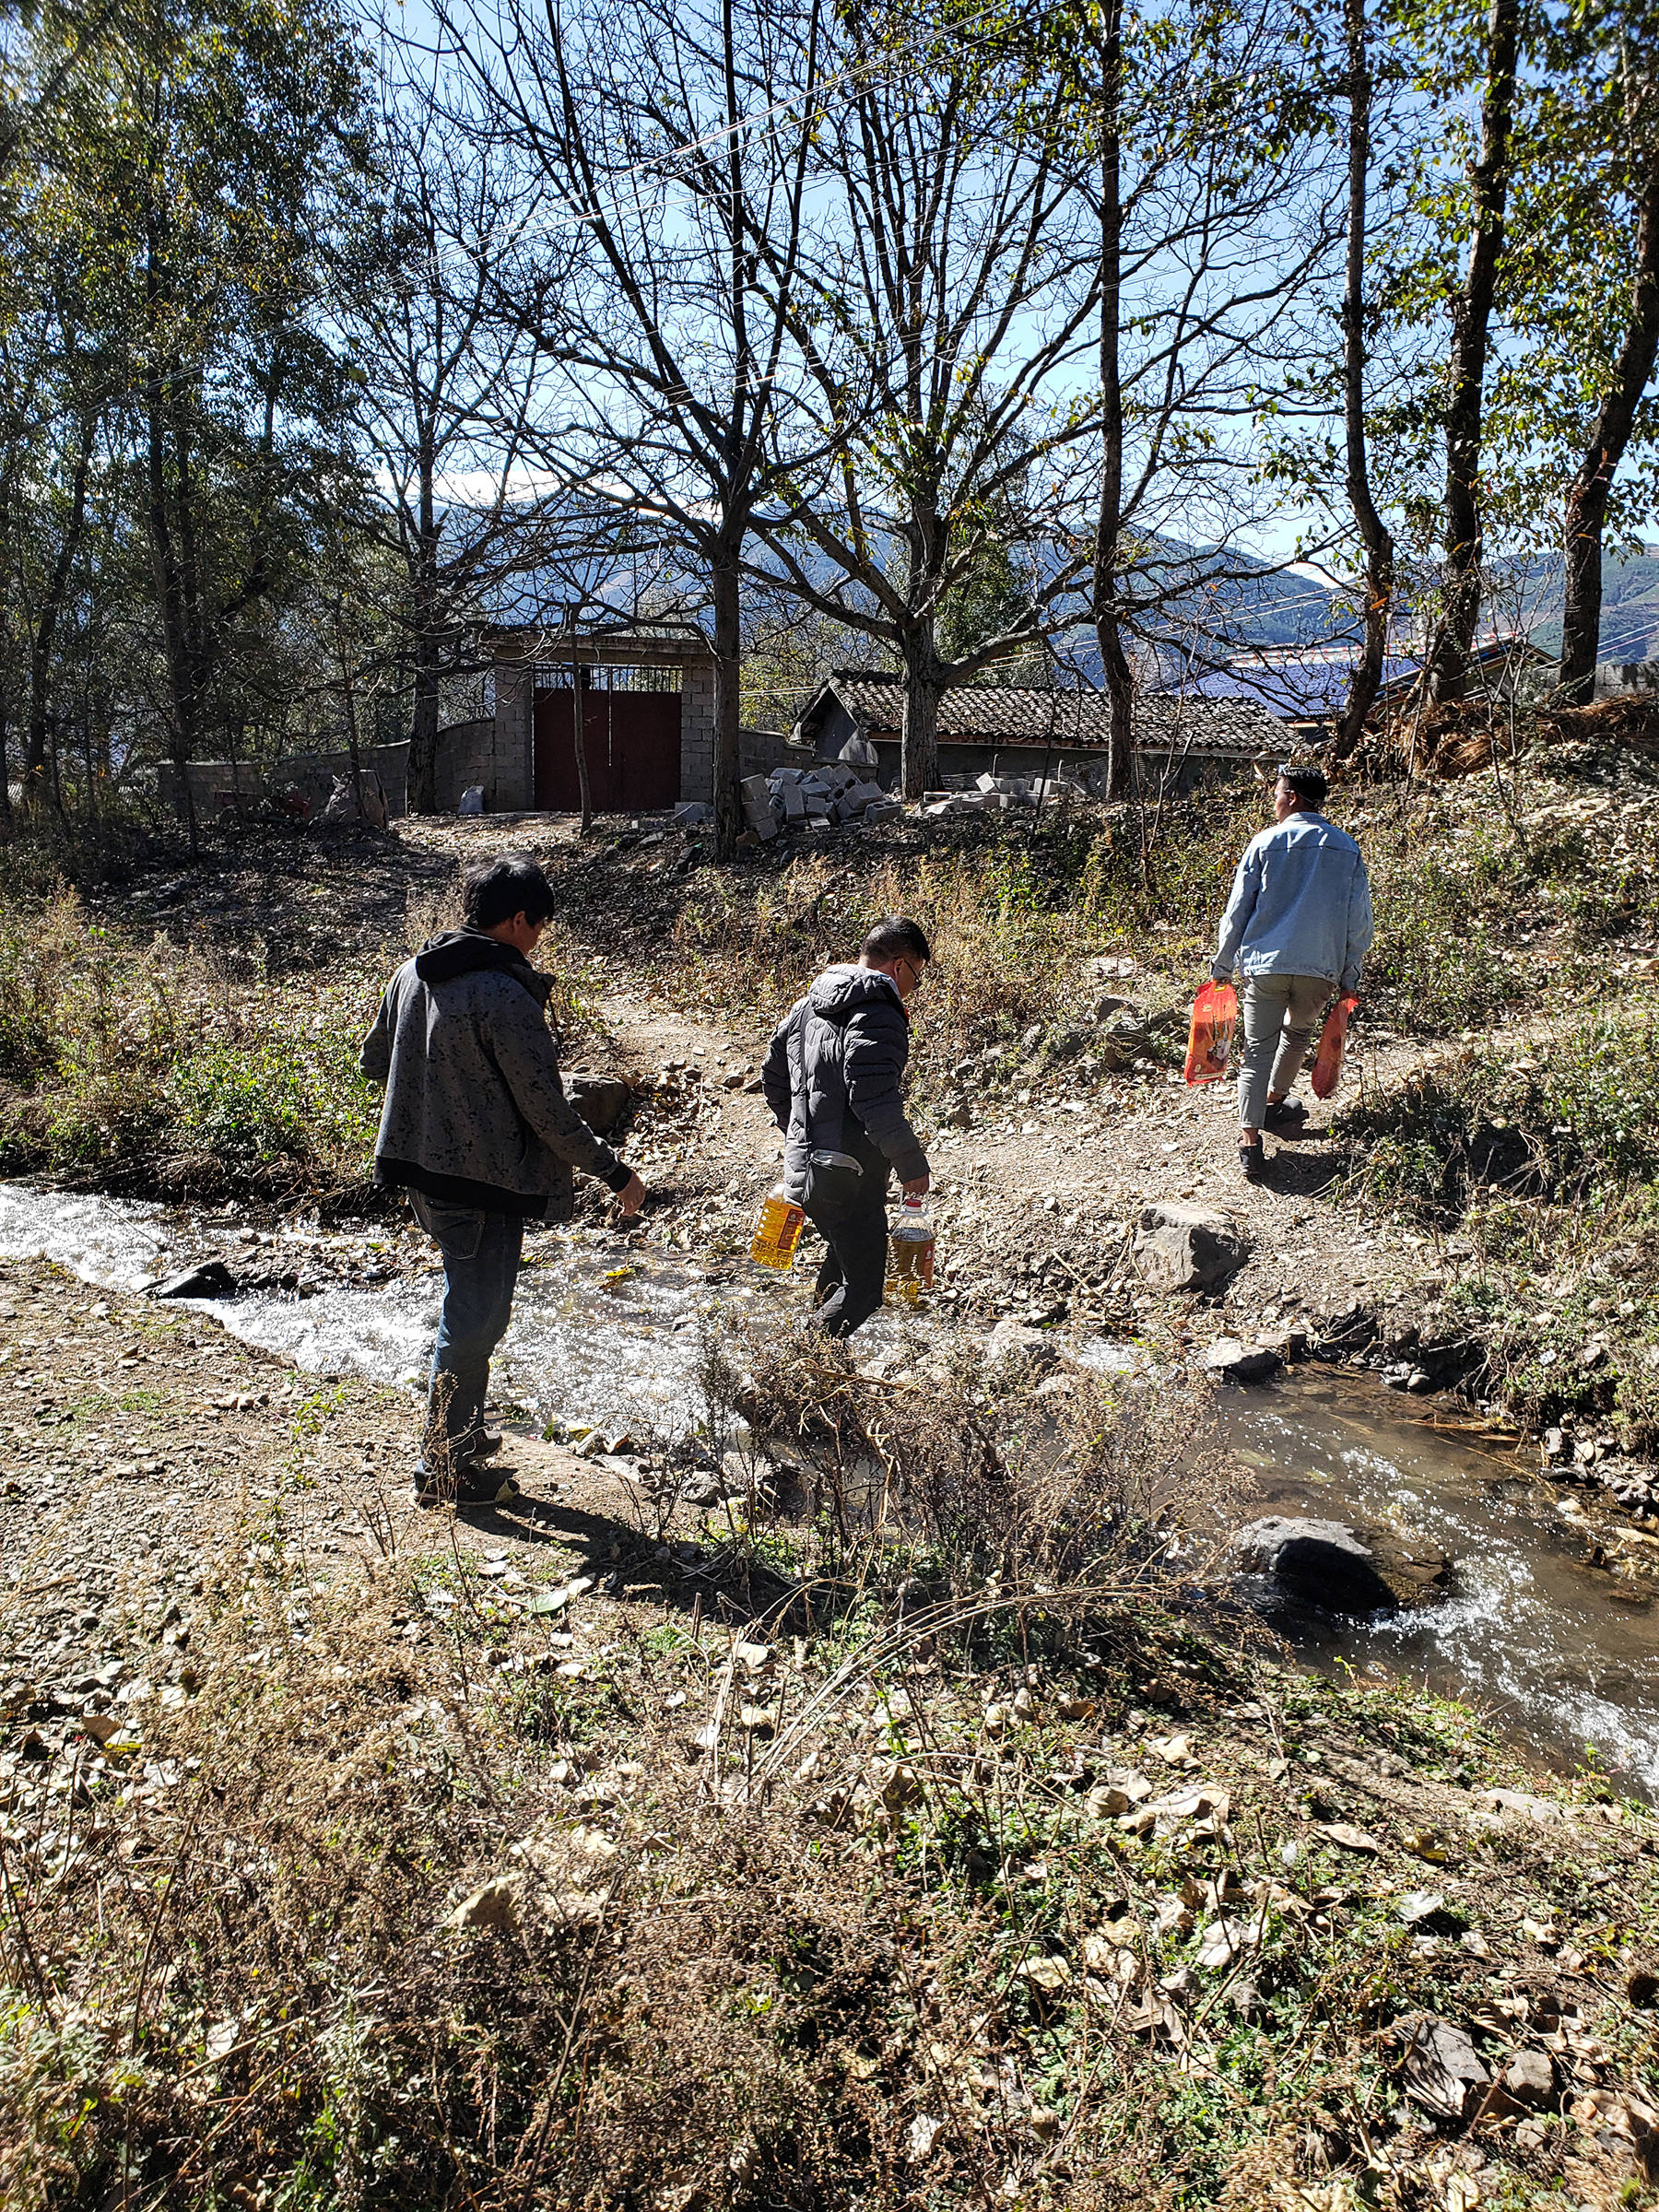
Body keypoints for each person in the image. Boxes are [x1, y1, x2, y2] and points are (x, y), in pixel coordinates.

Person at [360, 852, 646, 1504]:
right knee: (475, 1317)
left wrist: (439, 1091)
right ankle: (444, 1469)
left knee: (472, 1308)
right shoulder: (501, 992)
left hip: (422, 1172)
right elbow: (546, 1109)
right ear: (519, 920)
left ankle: (461, 1435)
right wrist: (614, 1171)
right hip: (482, 1185)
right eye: (540, 925)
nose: (540, 939)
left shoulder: (411, 972)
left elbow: (374, 1061)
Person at [761, 915, 932, 1338]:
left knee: (842, 1261)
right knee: (864, 1291)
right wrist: (911, 1165)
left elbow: (773, 1078)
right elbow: (872, 1095)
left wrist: (800, 1134)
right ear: (898, 965)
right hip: (849, 1176)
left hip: (810, 1172)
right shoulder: (878, 1009)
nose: (914, 985)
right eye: (917, 974)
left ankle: (824, 1376)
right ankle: (796, 1367)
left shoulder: (806, 1005)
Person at [1210, 760, 1373, 1181]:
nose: (1274, 800)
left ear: (1293, 797)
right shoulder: (1346, 847)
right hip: (1321, 967)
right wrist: (1349, 975)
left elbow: (1238, 909)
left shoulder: (1265, 842)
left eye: (1277, 793)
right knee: (1298, 1034)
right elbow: (1359, 920)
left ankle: (1250, 1140)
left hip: (1265, 965)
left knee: (1256, 1050)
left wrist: (1223, 964)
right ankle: (1275, 1100)